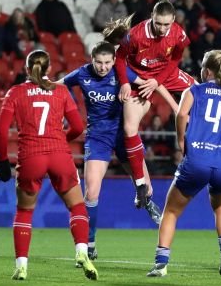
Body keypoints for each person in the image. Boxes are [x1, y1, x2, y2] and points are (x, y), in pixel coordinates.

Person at [146, 49, 221, 277]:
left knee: (172, 211)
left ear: (206, 70)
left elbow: (181, 115)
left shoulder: (193, 90)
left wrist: (181, 139)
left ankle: (161, 263)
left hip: (197, 159)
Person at [0, 50, 97, 281]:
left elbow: (1, 133)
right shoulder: (60, 91)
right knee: (77, 206)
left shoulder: (16, 93)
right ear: (49, 69)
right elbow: (79, 127)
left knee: (24, 211)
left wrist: (2, 162)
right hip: (60, 155)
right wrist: (61, 140)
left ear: (27, 69)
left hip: (30, 157)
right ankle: (81, 251)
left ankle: (21, 266)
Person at [57, 42, 163, 260]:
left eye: (107, 63)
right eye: (99, 62)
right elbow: (58, 86)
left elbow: (147, 85)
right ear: (91, 60)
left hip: (126, 137)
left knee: (147, 189)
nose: (103, 67)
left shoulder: (122, 73)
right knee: (91, 193)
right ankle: (90, 244)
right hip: (98, 138)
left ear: (114, 61)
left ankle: (146, 200)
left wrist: (152, 88)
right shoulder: (82, 74)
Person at [102, 0, 195, 208]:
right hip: (137, 79)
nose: (163, 29)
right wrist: (125, 83)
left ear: (173, 21)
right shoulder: (135, 35)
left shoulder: (178, 34)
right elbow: (119, 58)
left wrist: (157, 81)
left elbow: (175, 59)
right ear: (151, 18)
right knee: (128, 129)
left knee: (202, 94)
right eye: (158, 23)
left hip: (163, 74)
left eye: (167, 24)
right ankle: (141, 183)